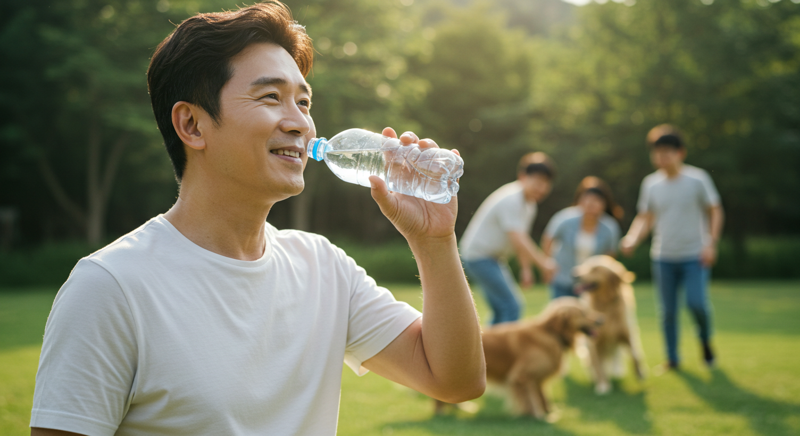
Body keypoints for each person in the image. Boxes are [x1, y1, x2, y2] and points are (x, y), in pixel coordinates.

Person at [29, 3, 485, 435]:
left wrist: (434, 240)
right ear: (191, 125)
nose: (301, 124)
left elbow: (455, 380)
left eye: (303, 103)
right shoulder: (110, 287)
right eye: (271, 97)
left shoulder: (324, 268)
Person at [620, 124, 724, 370]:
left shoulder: (697, 179)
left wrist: (711, 243)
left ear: (681, 152)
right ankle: (672, 358)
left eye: (667, 151)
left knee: (696, 303)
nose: (661, 156)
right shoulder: (651, 184)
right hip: (663, 256)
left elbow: (715, 210)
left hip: (694, 254)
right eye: (657, 152)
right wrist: (632, 238)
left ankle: (705, 341)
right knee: (667, 311)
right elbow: (645, 217)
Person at [459, 152, 558, 325]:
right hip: (479, 257)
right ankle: (503, 350)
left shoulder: (529, 205)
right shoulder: (512, 199)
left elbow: (521, 238)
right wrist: (543, 264)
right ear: (522, 177)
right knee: (511, 306)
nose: (541, 188)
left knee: (501, 308)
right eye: (537, 182)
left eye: (546, 184)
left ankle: (489, 350)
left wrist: (526, 269)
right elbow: (518, 238)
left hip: (491, 259)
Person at [542, 177, 622, 299]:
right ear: (579, 200)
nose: (590, 204)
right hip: (563, 279)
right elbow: (548, 238)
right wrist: (547, 266)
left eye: (596, 200)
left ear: (604, 203)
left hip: (591, 285)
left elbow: (609, 257)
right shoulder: (565, 219)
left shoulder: (610, 228)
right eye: (587, 199)